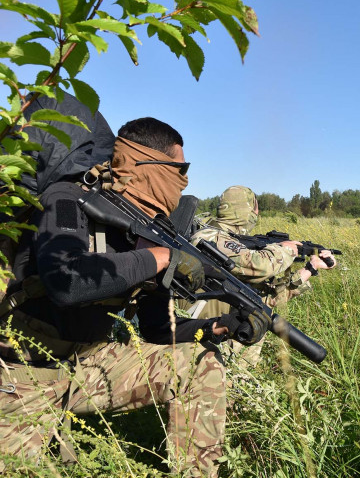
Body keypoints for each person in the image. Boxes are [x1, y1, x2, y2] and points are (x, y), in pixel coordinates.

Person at [0, 118, 260, 476]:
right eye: (179, 170)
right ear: (149, 165)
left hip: (91, 362)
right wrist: (160, 258)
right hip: (23, 371)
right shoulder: (67, 199)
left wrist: (218, 326)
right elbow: (66, 281)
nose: (183, 182)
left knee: (200, 363)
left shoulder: (150, 232)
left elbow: (156, 330)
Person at [184, 185, 336, 365]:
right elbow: (260, 265)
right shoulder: (209, 237)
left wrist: (310, 269)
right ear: (247, 211)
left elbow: (266, 300)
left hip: (219, 349)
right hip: (196, 346)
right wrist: (285, 250)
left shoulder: (235, 245)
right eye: (256, 209)